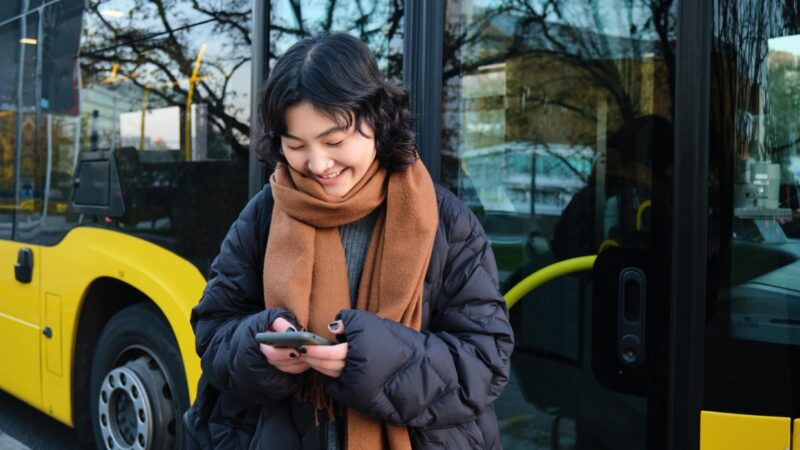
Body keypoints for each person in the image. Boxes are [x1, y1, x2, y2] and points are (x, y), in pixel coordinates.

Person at [183, 32, 514, 450]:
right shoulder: (264, 215)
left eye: (335, 141)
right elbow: (214, 331)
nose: (318, 164)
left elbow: (484, 361)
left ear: (376, 118)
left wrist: (373, 359)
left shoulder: (447, 222)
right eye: (296, 145)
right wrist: (258, 345)